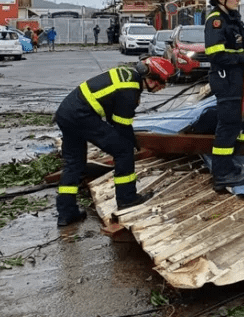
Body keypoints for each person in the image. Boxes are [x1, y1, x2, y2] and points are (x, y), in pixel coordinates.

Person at [54, 56, 176, 226]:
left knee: (74, 164)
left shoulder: (127, 76)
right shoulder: (130, 88)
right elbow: (121, 126)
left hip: (66, 113)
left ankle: (66, 214)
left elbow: (113, 117)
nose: (163, 87)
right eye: (163, 82)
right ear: (153, 78)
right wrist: (132, 145)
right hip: (82, 116)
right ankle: (127, 199)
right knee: (124, 151)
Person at [202, 0, 244, 189]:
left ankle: (229, 163)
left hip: (236, 78)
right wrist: (243, 57)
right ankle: (221, 174)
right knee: (228, 125)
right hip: (226, 80)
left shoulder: (230, 18)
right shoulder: (216, 21)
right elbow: (216, 55)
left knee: (241, 120)